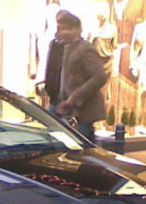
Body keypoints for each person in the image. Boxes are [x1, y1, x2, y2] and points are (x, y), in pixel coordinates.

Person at [55, 11, 107, 141]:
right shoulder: (64, 48)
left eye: (69, 28)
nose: (65, 32)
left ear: (79, 29)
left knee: (77, 147)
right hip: (68, 110)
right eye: (62, 29)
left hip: (82, 111)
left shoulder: (85, 49)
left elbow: (99, 77)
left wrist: (75, 97)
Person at [42, 9, 67, 114]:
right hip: (55, 94)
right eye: (58, 22)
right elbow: (50, 66)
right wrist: (48, 86)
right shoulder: (54, 43)